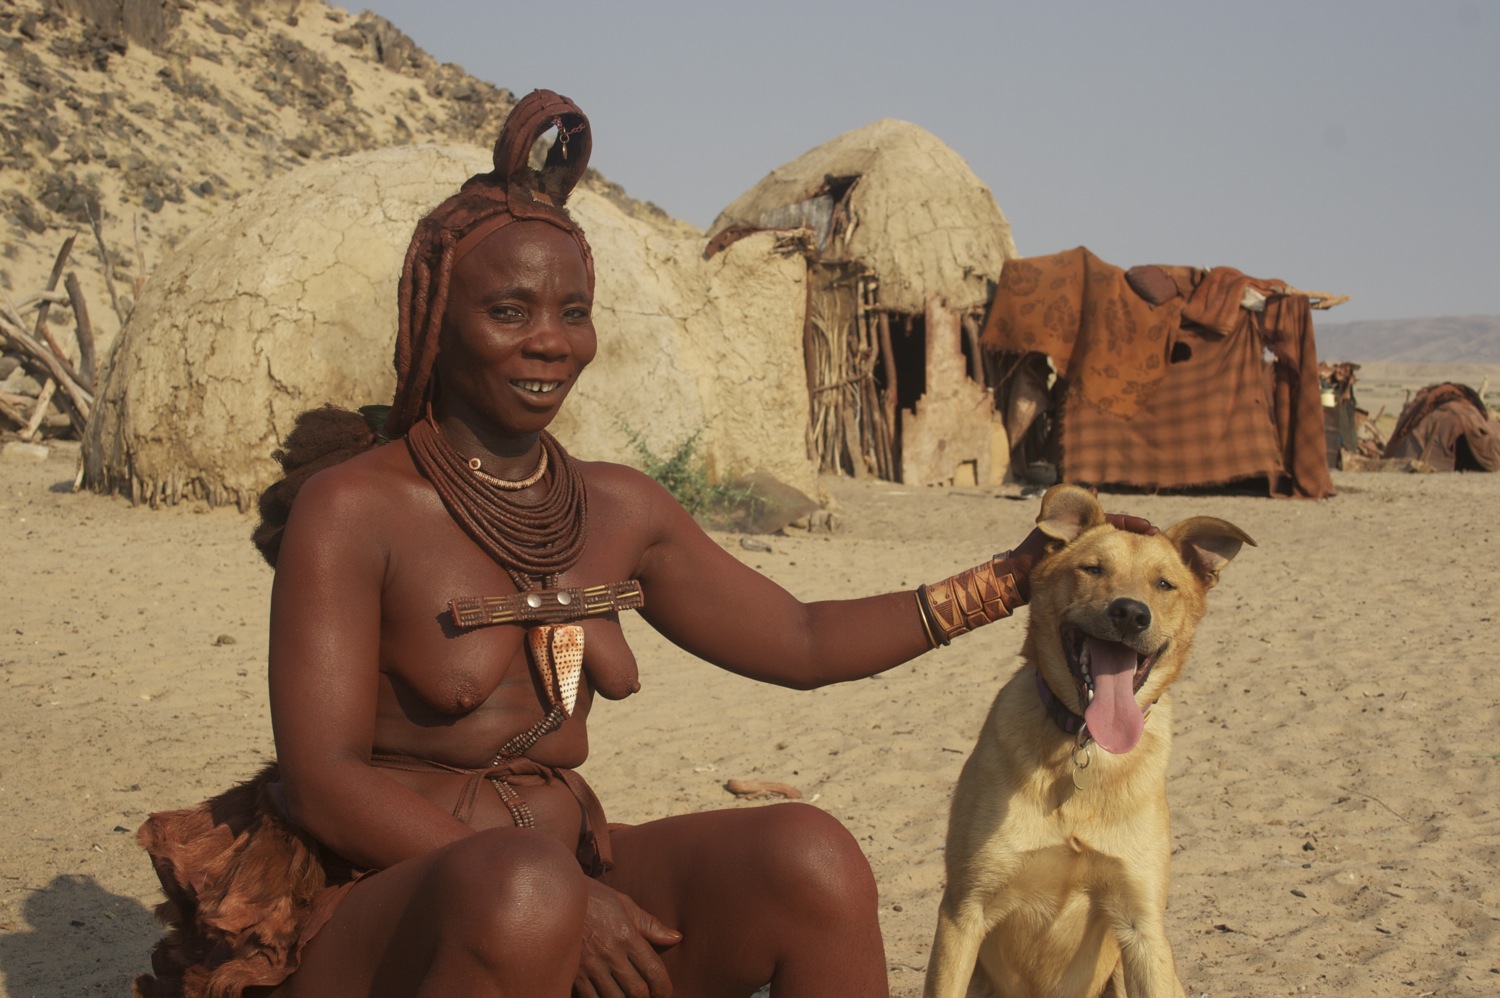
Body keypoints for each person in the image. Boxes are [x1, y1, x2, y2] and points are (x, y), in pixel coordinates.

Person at [134, 90, 1148, 998]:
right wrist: (565, 903)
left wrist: (1012, 577)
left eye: (572, 312)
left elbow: (796, 638)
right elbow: (322, 779)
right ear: (435, 322)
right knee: (526, 892)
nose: (549, 340)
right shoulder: (355, 508)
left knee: (813, 856)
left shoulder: (616, 508)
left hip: (563, 876)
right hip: (389, 905)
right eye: (508, 310)